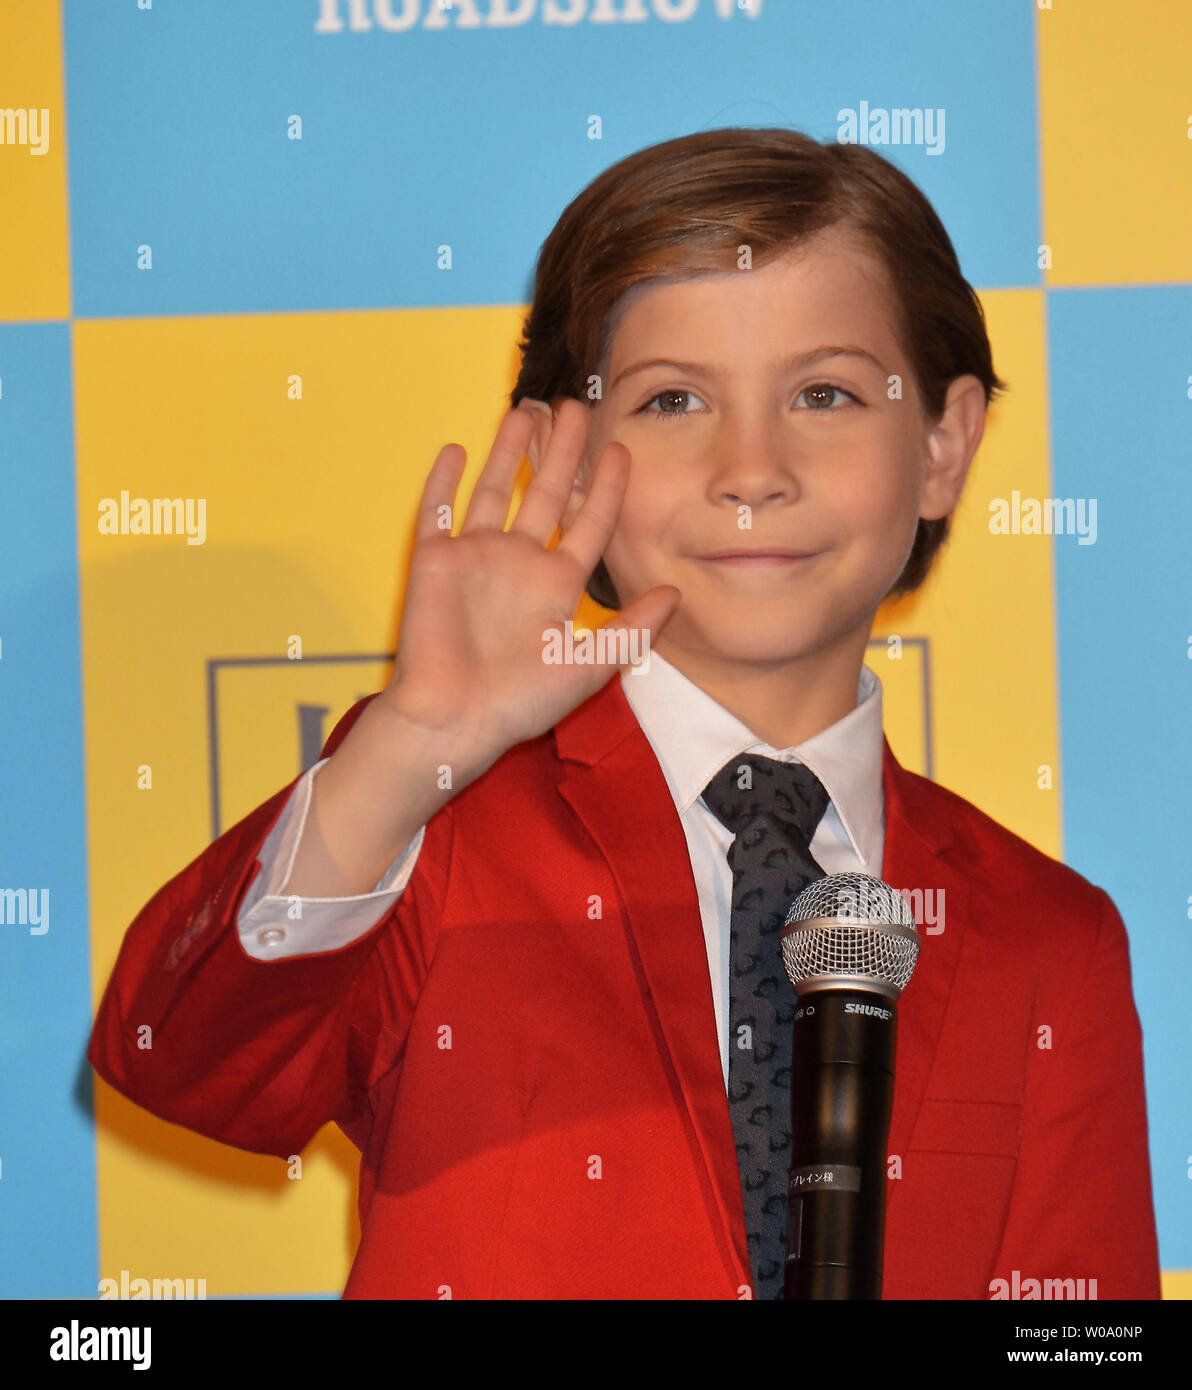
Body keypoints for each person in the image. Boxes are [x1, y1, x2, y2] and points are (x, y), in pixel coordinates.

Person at [87, 127, 1161, 1300]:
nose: (752, 469)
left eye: (824, 392)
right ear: (563, 446)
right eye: (671, 401)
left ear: (944, 444)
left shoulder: (1051, 939)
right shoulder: (433, 822)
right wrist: (412, 749)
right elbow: (178, 1061)